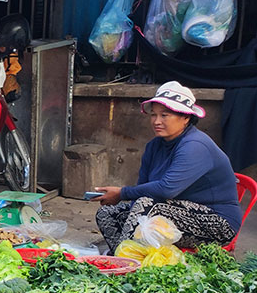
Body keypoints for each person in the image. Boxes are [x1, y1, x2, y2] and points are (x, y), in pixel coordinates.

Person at [93, 81, 241, 251]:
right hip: (173, 208)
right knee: (108, 214)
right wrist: (130, 215)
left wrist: (122, 193)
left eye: (165, 115)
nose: (157, 121)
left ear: (185, 117)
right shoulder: (154, 146)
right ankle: (130, 257)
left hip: (218, 223)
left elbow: (167, 189)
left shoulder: (195, 145)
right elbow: (143, 187)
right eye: (153, 115)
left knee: (146, 206)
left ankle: (124, 261)